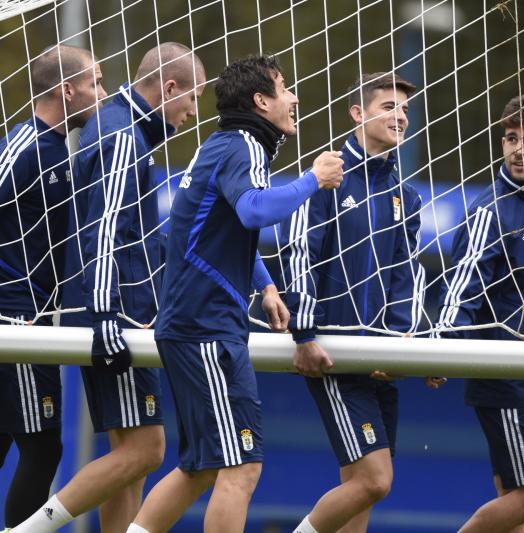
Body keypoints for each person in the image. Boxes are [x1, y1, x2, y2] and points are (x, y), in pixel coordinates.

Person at [126, 54, 343, 533]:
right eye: (285, 89)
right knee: (242, 467)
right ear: (261, 101)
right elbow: (252, 211)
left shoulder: (228, 144)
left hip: (195, 325)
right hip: (205, 328)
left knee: (201, 467)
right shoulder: (241, 145)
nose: (294, 98)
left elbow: (220, 230)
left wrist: (264, 284)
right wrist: (312, 179)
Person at [10, 42, 206, 533]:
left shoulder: (114, 130)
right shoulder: (121, 135)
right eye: (191, 100)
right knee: (145, 449)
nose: (192, 113)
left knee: (130, 455)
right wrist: (103, 315)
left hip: (106, 311)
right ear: (169, 88)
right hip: (103, 315)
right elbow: (103, 229)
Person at [281, 72, 425, 533]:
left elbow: (407, 274)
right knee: (374, 479)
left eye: (404, 108)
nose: (399, 116)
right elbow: (299, 253)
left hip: (380, 355)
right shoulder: (327, 176)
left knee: (359, 490)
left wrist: (402, 343)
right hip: (335, 353)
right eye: (388, 107)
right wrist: (304, 332)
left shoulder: (405, 193)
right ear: (358, 114)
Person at [432, 94, 524, 533]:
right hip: (505, 374)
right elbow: (463, 285)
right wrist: (442, 348)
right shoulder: (490, 208)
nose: (517, 149)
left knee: (513, 499)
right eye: (510, 138)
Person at [0, 44, 105, 528]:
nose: (102, 94)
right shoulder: (23, 146)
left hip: (36, 316)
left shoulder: (57, 153)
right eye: (95, 84)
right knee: (44, 447)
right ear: (66, 89)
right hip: (14, 318)